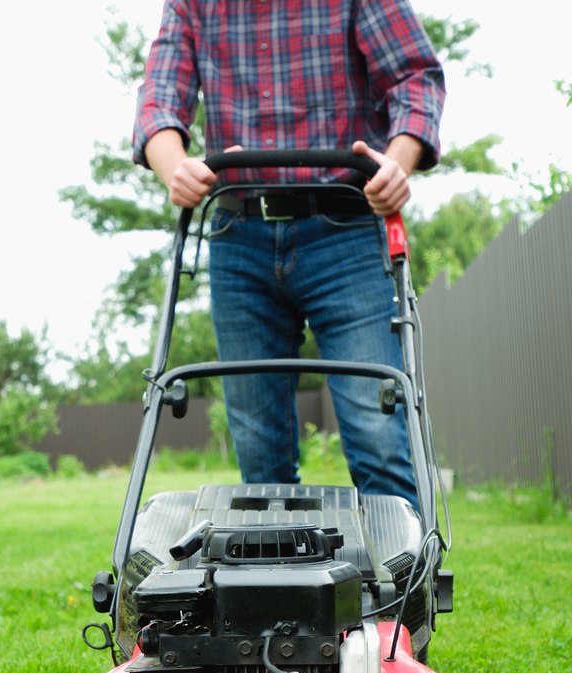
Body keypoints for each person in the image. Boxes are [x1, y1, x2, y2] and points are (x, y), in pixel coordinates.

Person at [133, 0, 445, 507]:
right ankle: (277, 585)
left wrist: (396, 163)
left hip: (345, 228)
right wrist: (175, 168)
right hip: (240, 235)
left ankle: (403, 581)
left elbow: (414, 76)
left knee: (379, 434)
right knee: (260, 455)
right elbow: (158, 99)